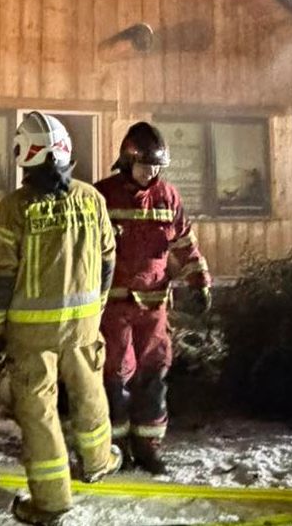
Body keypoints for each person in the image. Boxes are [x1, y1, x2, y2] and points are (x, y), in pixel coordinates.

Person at [0, 112, 120, 525]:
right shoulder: (91, 198)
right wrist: (96, 307)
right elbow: (109, 259)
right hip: (83, 327)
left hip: (31, 335)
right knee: (89, 393)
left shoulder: (15, 206)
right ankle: (97, 462)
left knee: (39, 415)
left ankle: (52, 503)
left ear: (25, 156)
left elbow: (0, 276)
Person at [93, 122, 211, 475]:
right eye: (146, 166)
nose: (152, 173)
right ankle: (115, 447)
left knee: (154, 374)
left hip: (155, 307)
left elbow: (184, 243)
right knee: (115, 376)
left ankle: (148, 447)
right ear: (127, 162)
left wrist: (199, 281)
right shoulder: (102, 196)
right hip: (114, 307)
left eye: (157, 166)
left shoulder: (168, 197)